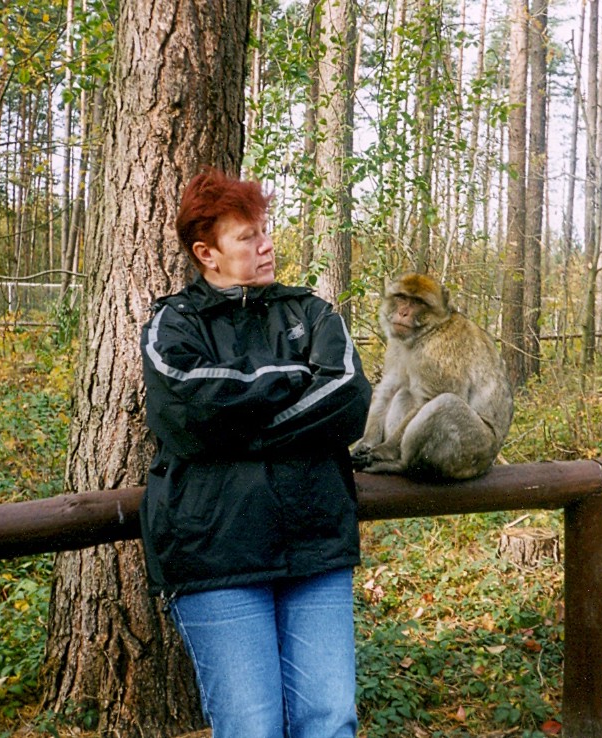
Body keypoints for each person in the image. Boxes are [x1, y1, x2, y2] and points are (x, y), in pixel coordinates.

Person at [139, 167, 372, 738]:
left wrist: (240, 430)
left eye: (264, 230)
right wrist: (294, 379)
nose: (266, 244)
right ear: (207, 252)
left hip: (315, 546)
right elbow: (187, 407)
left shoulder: (311, 313)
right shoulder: (177, 323)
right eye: (246, 236)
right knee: (251, 728)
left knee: (331, 720)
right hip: (216, 552)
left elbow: (347, 397)